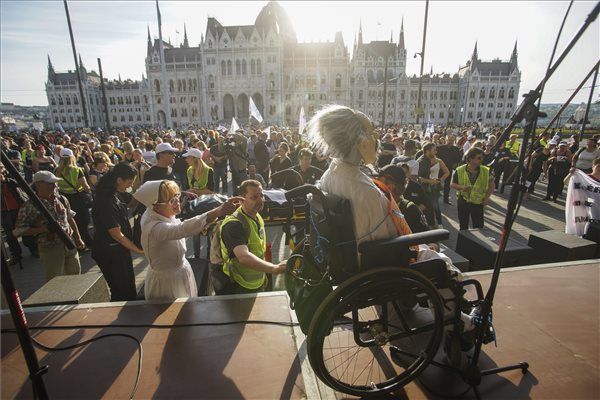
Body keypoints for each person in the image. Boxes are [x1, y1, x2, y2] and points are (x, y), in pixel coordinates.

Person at [134, 180, 242, 300]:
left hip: (181, 272)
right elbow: (181, 229)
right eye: (172, 200)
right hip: (166, 283)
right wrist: (217, 211)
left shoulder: (162, 213)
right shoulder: (153, 227)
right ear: (156, 206)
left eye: (178, 196)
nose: (178, 202)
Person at [217, 179, 287, 294]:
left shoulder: (257, 216)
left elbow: (258, 250)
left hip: (256, 283)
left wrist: (263, 273)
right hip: (238, 286)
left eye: (261, 195)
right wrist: (274, 269)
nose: (260, 200)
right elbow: (243, 257)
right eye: (254, 197)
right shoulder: (234, 225)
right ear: (241, 200)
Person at [13, 171, 85, 281]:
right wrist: (43, 229)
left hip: (69, 242)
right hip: (50, 247)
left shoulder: (61, 199)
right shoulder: (29, 206)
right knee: (56, 280)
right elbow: (19, 230)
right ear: (38, 184)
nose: (54, 186)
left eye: (55, 183)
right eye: (50, 183)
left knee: (75, 275)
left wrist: (78, 238)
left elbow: (70, 219)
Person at [92, 163, 143, 301]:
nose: (130, 186)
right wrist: (138, 250)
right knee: (121, 291)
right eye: (129, 182)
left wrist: (146, 192)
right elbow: (116, 234)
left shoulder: (117, 193)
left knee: (129, 287)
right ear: (119, 180)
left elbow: (132, 202)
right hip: (109, 252)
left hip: (119, 251)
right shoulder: (106, 201)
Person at [55, 147, 93, 248]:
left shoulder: (56, 170)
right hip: (77, 198)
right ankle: (87, 242)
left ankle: (76, 241)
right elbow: (85, 186)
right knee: (83, 221)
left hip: (63, 198)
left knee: (70, 221)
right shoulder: (77, 170)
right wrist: (89, 191)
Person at [450, 147, 495, 230]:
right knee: (463, 226)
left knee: (478, 226)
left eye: (482, 157)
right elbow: (452, 184)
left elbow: (492, 185)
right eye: (479, 158)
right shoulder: (460, 170)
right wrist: (462, 187)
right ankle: (463, 238)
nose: (481, 159)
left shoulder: (485, 170)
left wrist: (486, 198)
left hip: (478, 202)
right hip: (463, 201)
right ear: (470, 159)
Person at [418, 142, 449, 228]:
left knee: (435, 205)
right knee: (428, 206)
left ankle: (439, 224)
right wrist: (430, 181)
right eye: (434, 150)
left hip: (434, 187)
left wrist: (439, 180)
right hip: (424, 187)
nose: (436, 152)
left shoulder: (438, 161)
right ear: (427, 151)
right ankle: (429, 224)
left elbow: (447, 172)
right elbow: (418, 177)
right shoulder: (421, 161)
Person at [436, 134, 462, 205]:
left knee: (447, 185)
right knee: (437, 183)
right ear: (446, 140)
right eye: (449, 140)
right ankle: (436, 198)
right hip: (440, 168)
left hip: (449, 168)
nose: (451, 142)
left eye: (452, 140)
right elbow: (436, 158)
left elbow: (458, 159)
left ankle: (446, 199)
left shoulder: (456, 149)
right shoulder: (440, 148)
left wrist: (455, 165)